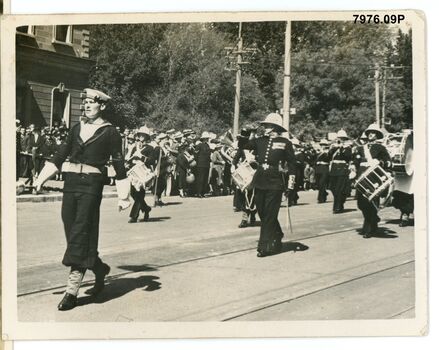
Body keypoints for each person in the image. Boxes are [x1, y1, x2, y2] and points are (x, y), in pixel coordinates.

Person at [33, 88, 131, 311]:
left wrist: (124, 195)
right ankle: (98, 267)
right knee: (71, 228)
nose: (86, 106)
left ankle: (72, 290)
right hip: (71, 183)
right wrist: (40, 179)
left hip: (91, 185)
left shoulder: (110, 132)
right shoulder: (76, 127)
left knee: (80, 231)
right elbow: (60, 154)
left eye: (91, 103)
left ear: (102, 106)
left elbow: (118, 162)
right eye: (84, 102)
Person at [238, 113, 296, 257]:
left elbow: (292, 164)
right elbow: (244, 145)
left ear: (275, 127)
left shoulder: (285, 142)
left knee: (270, 214)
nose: (264, 128)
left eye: (268, 125)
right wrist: (246, 132)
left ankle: (264, 246)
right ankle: (277, 234)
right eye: (264, 125)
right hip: (260, 179)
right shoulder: (259, 141)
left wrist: (290, 185)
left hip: (275, 181)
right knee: (262, 213)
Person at [354, 123, 392, 238]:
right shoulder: (361, 148)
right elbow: (355, 161)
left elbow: (389, 162)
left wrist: (380, 162)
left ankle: (369, 228)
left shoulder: (381, 148)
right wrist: (352, 168)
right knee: (361, 204)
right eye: (369, 132)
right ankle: (374, 219)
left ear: (377, 135)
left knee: (370, 202)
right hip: (362, 178)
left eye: (374, 133)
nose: (371, 134)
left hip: (373, 178)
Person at [126, 128, 156, 223]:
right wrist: (128, 164)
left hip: (143, 174)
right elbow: (131, 159)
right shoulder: (135, 147)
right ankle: (146, 208)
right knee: (133, 193)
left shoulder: (150, 148)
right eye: (140, 135)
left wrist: (142, 157)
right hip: (134, 173)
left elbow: (151, 161)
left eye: (143, 135)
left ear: (146, 137)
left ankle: (133, 216)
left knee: (139, 194)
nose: (141, 137)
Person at [328, 129, 352, 213]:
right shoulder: (334, 147)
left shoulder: (348, 147)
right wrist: (332, 148)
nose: (340, 139)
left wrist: (341, 148)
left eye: (342, 138)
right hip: (334, 169)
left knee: (339, 189)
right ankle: (340, 201)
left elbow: (347, 157)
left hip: (342, 169)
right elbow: (329, 156)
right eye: (339, 138)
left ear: (345, 139)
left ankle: (337, 207)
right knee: (332, 188)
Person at [194, 131, 212, 198]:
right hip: (200, 164)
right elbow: (196, 154)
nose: (207, 139)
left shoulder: (207, 145)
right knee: (200, 179)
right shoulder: (199, 145)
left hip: (206, 164)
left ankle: (203, 192)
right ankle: (199, 192)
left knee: (205, 179)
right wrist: (197, 161)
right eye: (206, 138)